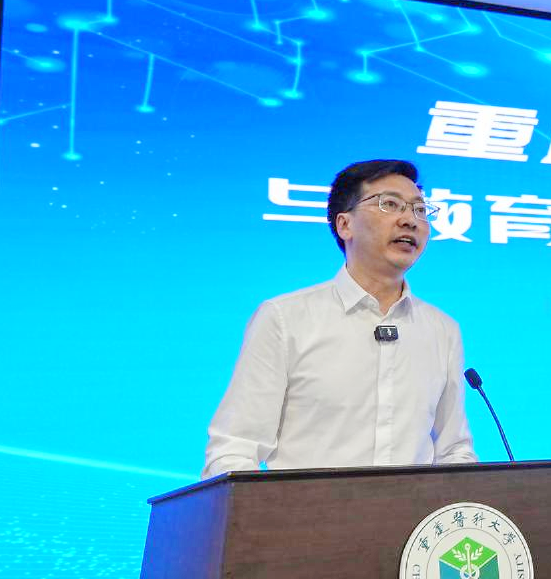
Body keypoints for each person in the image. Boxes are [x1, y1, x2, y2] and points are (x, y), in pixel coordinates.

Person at [203, 159, 476, 477]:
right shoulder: (285, 318)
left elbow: (454, 450)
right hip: (306, 509)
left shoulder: (442, 330)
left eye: (419, 209)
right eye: (390, 204)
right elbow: (234, 449)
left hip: (414, 510)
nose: (409, 220)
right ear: (345, 225)